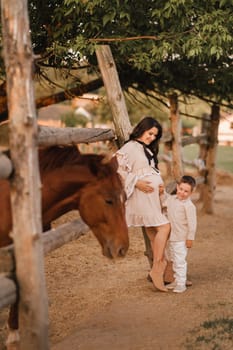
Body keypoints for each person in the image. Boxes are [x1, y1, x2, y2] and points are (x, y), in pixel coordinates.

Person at [115, 116, 171, 292]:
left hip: (152, 197)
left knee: (154, 234)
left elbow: (150, 172)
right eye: (150, 133)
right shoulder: (130, 147)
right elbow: (115, 170)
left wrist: (159, 187)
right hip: (140, 196)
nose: (152, 137)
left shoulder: (146, 149)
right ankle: (157, 268)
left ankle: (169, 274)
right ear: (142, 129)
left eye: (155, 135)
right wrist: (136, 183)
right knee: (165, 227)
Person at [159, 175, 197, 293]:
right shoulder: (172, 199)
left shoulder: (189, 206)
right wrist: (161, 192)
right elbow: (164, 201)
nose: (182, 193)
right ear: (177, 187)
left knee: (180, 261)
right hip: (172, 237)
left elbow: (192, 224)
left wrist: (190, 238)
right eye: (181, 189)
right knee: (174, 260)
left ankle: (181, 283)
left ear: (191, 192)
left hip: (181, 238)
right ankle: (176, 280)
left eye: (186, 191)